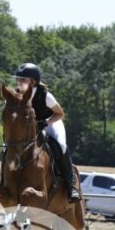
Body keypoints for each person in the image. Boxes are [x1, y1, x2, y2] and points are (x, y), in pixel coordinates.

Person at [12, 62, 82, 203]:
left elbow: (60, 114)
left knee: (60, 146)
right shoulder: (17, 95)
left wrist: (45, 122)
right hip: (29, 128)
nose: (19, 82)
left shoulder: (45, 96)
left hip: (50, 123)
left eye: (23, 80)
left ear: (33, 82)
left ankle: (71, 186)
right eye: (18, 79)